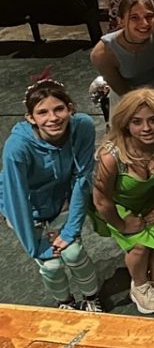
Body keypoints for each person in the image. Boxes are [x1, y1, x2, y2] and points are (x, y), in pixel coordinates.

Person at [1, 80, 102, 312]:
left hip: (61, 201)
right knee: (51, 265)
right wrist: (36, 247)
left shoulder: (83, 126)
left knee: (74, 252)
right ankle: (65, 302)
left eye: (59, 109)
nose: (53, 118)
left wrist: (70, 231)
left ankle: (91, 297)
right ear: (30, 118)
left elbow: (82, 178)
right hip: (28, 207)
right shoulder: (17, 146)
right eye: (42, 112)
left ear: (70, 108)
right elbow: (16, 198)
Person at [91, 89, 154, 315]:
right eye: (137, 122)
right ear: (126, 124)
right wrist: (122, 225)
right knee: (140, 247)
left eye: (153, 120)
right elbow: (101, 201)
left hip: (152, 198)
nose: (146, 128)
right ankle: (139, 285)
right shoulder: (111, 157)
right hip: (117, 207)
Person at [91, 0, 154, 97]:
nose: (144, 23)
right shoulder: (102, 53)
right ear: (121, 21)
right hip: (131, 98)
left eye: (149, 16)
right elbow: (122, 92)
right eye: (134, 17)